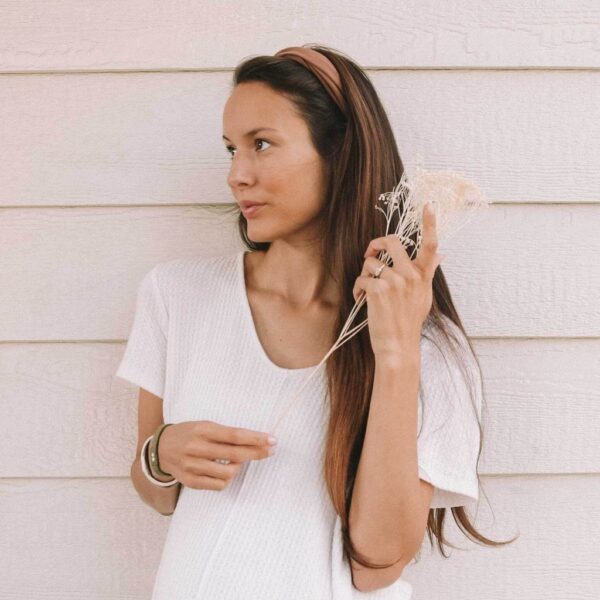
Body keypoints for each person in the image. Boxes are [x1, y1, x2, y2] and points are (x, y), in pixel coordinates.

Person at [116, 44, 514, 600]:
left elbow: (377, 561)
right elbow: (157, 493)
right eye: (232, 149)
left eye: (262, 144)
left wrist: (396, 354)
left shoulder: (428, 345)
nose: (236, 174)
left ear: (341, 152)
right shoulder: (176, 295)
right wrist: (161, 454)